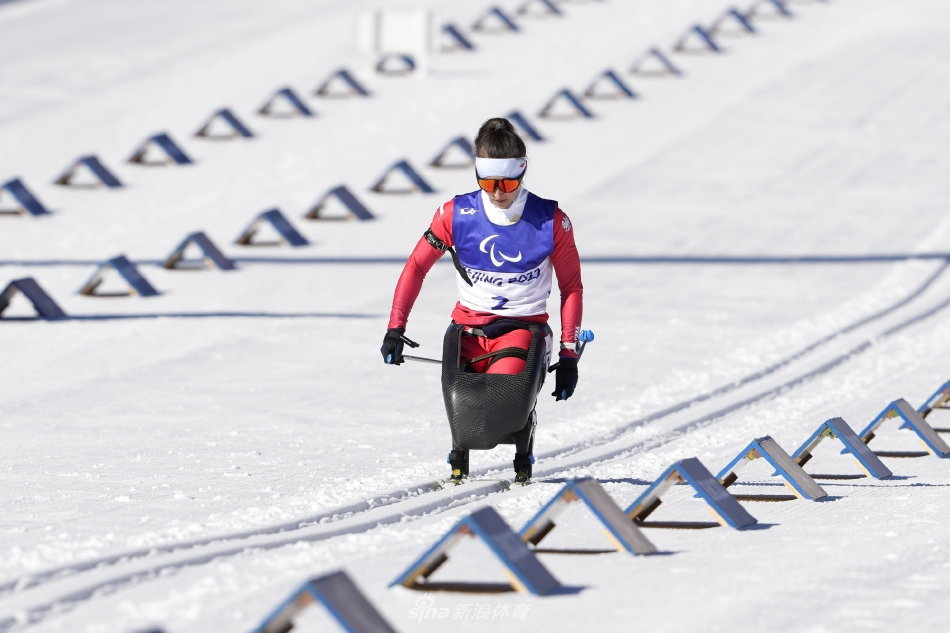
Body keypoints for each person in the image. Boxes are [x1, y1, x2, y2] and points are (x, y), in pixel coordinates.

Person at [380, 117, 584, 484]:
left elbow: (572, 288)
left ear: (522, 172)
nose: (498, 192)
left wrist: (568, 354)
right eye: (488, 182)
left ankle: (522, 434)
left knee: (499, 407)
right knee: (465, 408)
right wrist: (396, 327)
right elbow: (415, 267)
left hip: (523, 329)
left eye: (507, 182)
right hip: (469, 329)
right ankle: (461, 450)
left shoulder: (551, 220)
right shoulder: (454, 214)